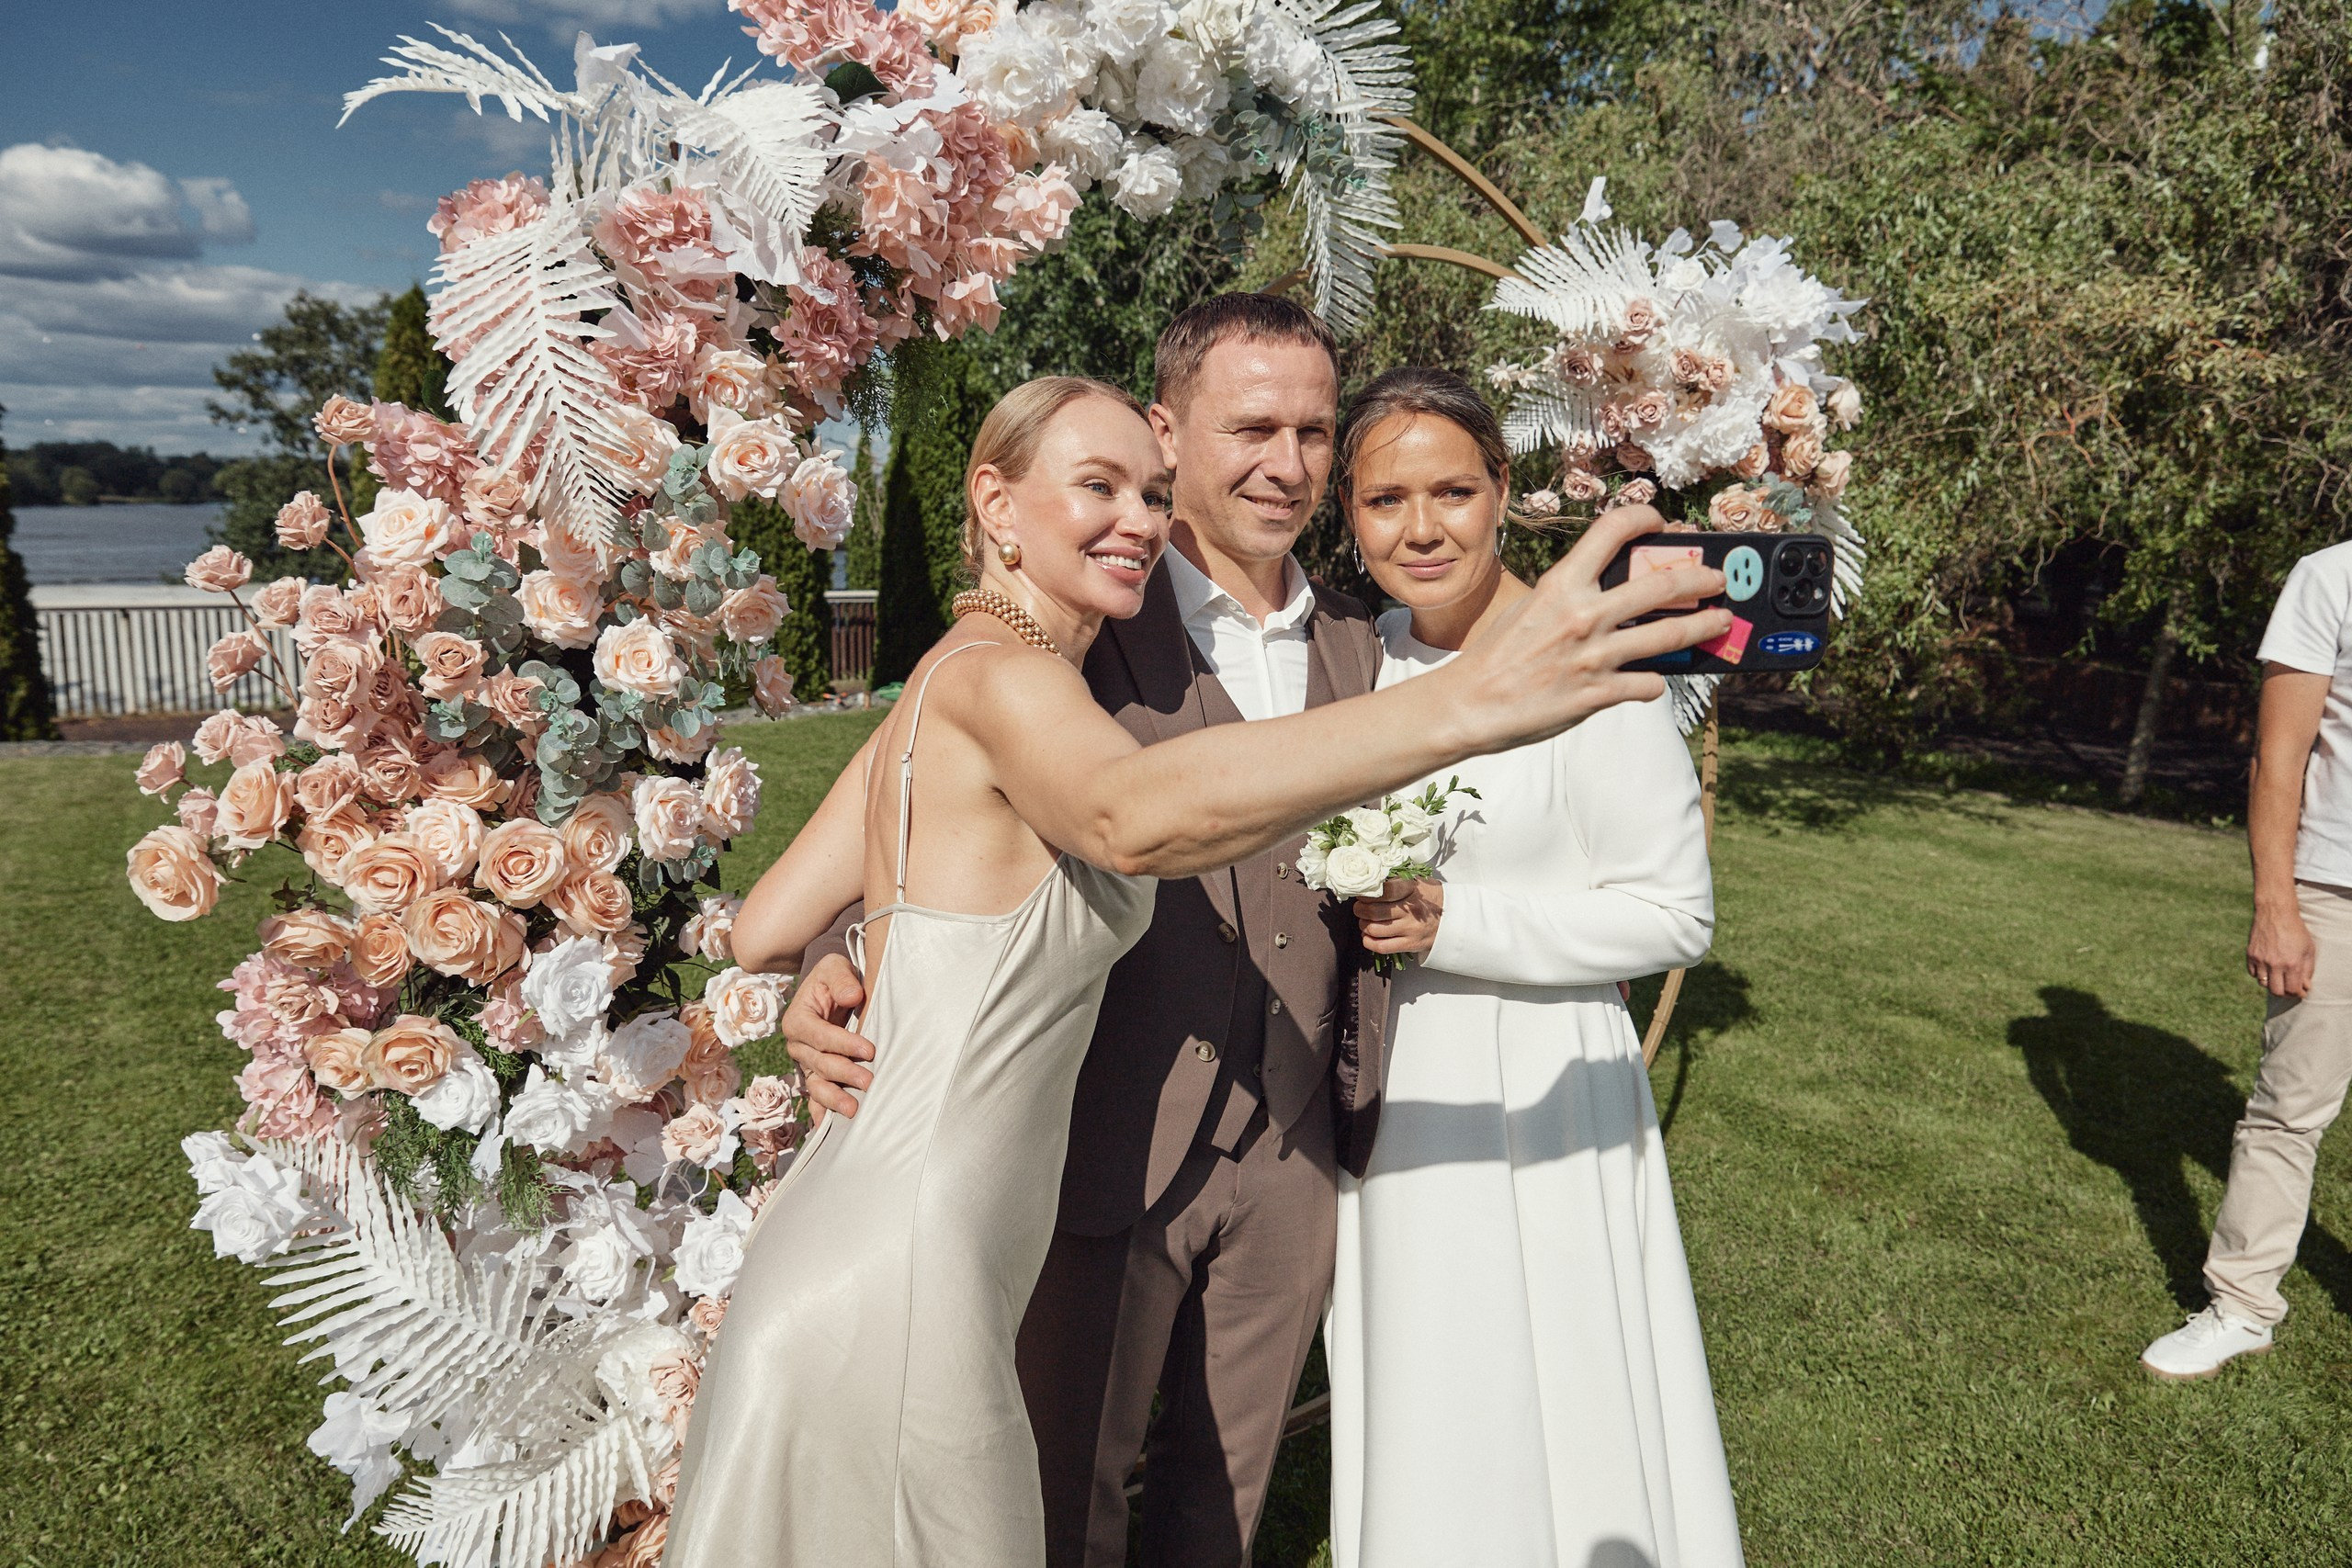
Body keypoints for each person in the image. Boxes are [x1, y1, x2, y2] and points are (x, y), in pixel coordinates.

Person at [662, 370, 1727, 1567]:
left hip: (866, 1227)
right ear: (996, 504)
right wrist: (1474, 700)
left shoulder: (957, 672)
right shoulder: (1010, 681)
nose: (1137, 518)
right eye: (1098, 486)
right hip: (916, 1273)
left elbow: (768, 920)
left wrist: (853, 952)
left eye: (1152, 493)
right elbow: (1127, 818)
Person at [786, 294, 1381, 1568]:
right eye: (1253, 426)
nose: (1290, 463)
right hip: (1104, 1138)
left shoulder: (1358, 638)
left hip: (1295, 1142)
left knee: (1225, 1500)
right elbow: (913, 825)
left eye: (1317, 432)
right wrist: (826, 956)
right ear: (1171, 427)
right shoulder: (1070, 618)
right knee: (1060, 1497)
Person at [1320, 368, 1745, 1567]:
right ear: (1345, 514)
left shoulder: (1596, 665)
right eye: (1383, 498)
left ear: (1504, 489)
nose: (1421, 527)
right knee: (1431, 1369)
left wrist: (1458, 920)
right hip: (1391, 1083)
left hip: (1544, 1077)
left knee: (1560, 1369)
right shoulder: (1353, 659)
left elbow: (1672, 914)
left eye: (1452, 489)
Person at [2143, 540, 2352, 1380]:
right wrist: (2277, 906)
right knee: (2288, 1112)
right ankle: (2241, 1306)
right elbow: (2279, 757)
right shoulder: (2330, 577)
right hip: (2337, 891)